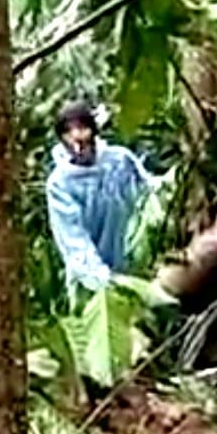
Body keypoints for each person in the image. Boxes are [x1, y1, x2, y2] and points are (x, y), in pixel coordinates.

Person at [46, 100, 153, 300]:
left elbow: (149, 196)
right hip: (92, 286)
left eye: (82, 128)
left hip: (136, 271)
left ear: (93, 130)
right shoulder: (60, 183)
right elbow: (74, 240)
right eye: (69, 131)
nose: (77, 136)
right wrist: (105, 282)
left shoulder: (120, 161)